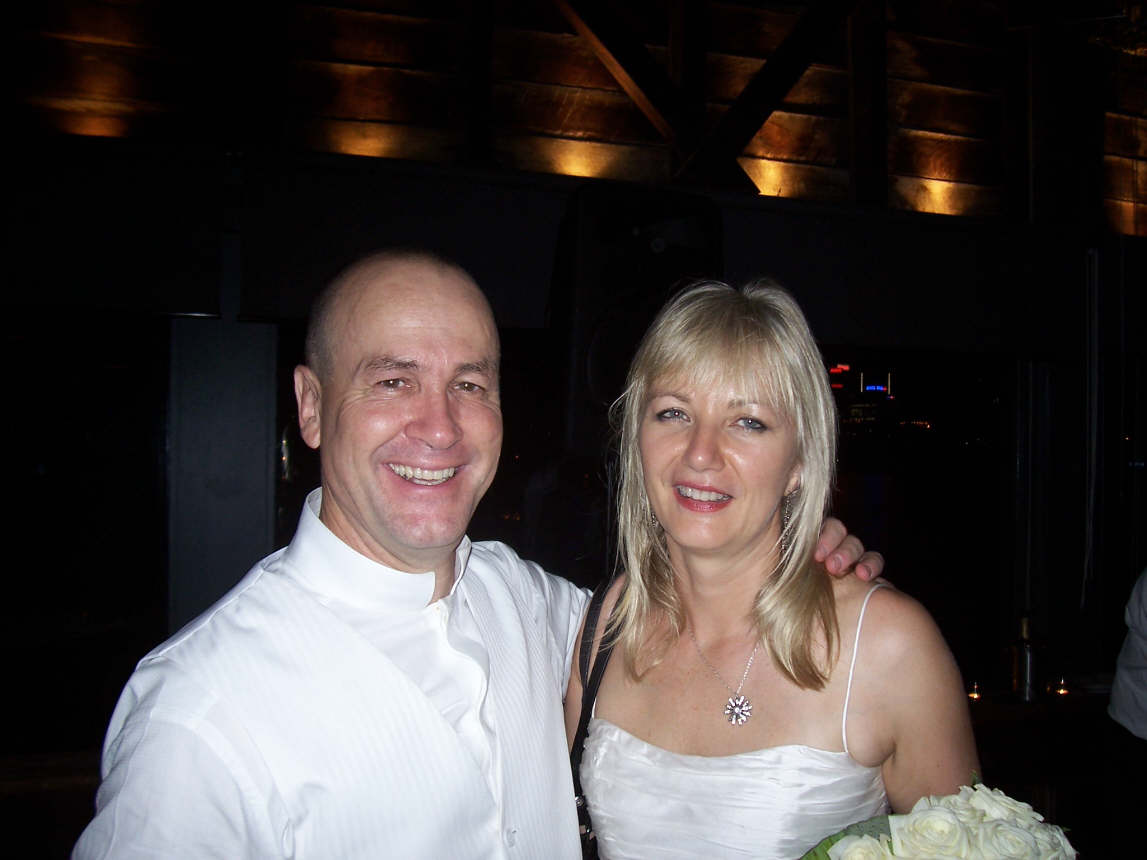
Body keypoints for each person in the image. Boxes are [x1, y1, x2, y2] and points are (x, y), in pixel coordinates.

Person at [74, 251, 882, 858]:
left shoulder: (532, 604)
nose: (439, 427)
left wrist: (785, 545)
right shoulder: (199, 716)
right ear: (311, 406)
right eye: (393, 381)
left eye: (469, 384)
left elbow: (692, 629)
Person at [567, 279, 978, 859]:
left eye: (748, 422)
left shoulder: (888, 644)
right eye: (673, 413)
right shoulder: (606, 623)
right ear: (637, 438)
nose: (700, 453)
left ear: (800, 462)